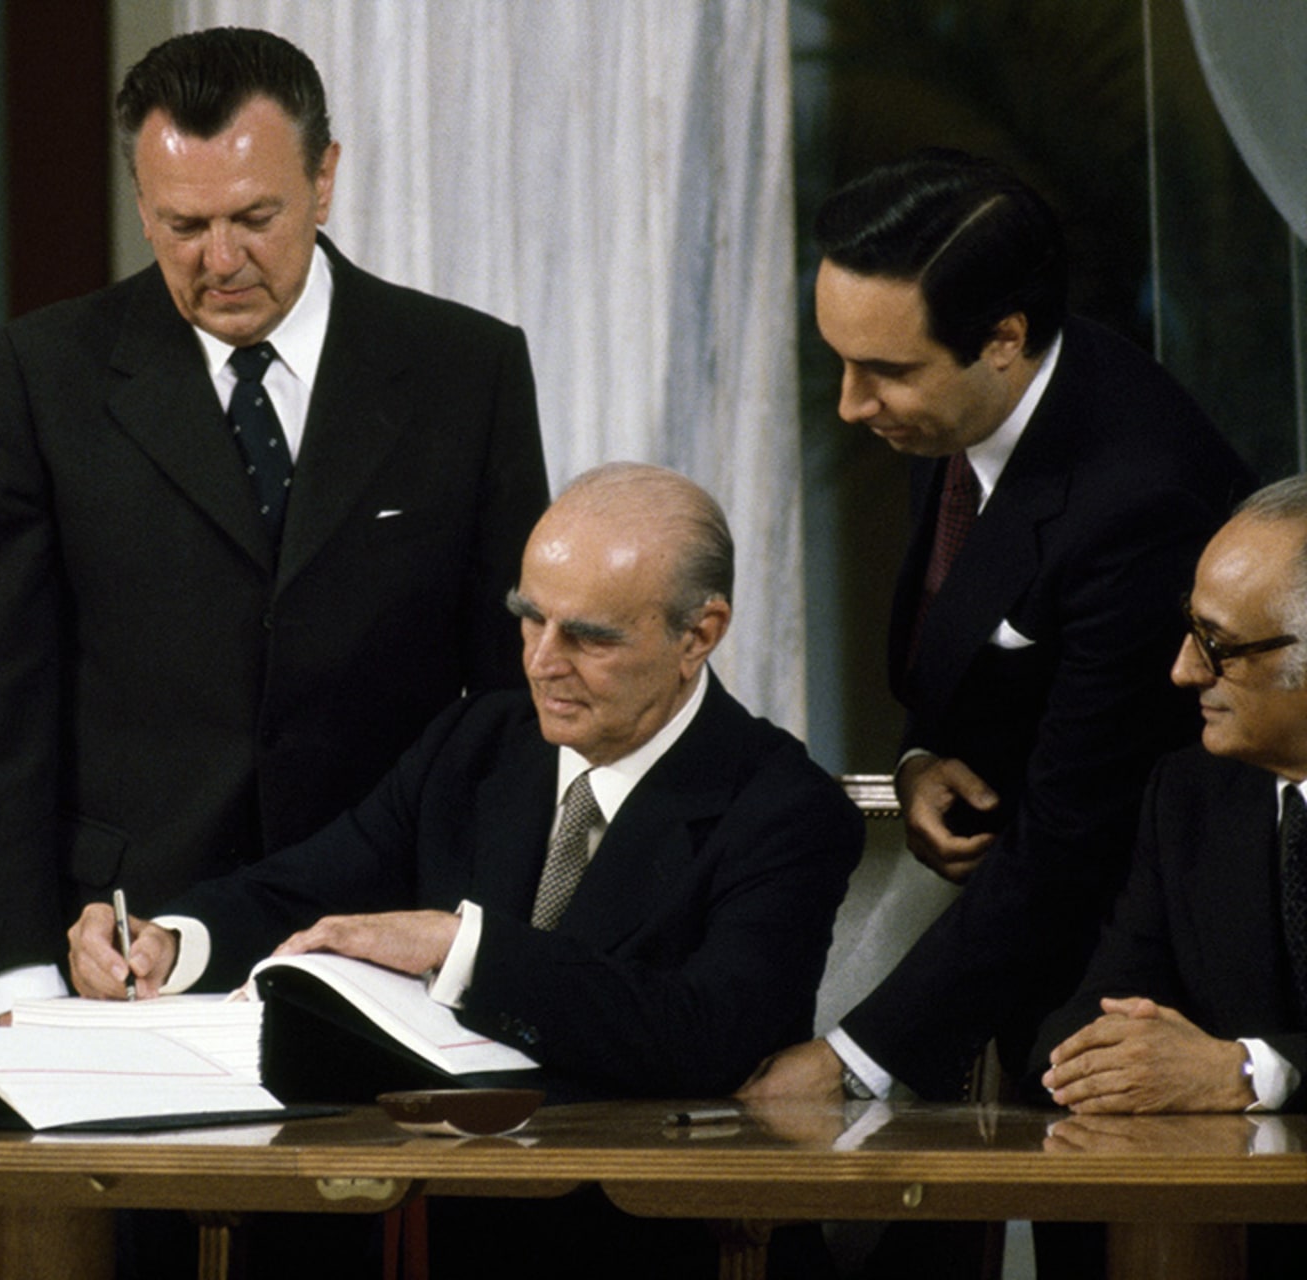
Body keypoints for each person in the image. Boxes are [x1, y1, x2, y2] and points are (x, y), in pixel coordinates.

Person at [69, 464, 861, 1276]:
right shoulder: (476, 742)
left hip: (657, 1243)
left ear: (699, 633)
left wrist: (460, 948)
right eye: (529, 619)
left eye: (588, 636)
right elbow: (310, 886)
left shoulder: (782, 807)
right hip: (439, 1226)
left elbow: (704, 1037)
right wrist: (171, 939)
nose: (542, 662)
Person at [0, 27, 550, 1024]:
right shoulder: (46, 375)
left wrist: (475, 930)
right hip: (125, 946)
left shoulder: (463, 370)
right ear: (140, 200)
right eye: (181, 225)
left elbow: (514, 689)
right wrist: (16, 975)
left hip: (390, 936)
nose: (220, 261)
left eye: (255, 216)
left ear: (325, 178)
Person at [739, 149, 1252, 1109]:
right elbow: (962, 636)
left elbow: (1074, 837)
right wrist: (923, 752)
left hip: (1143, 981)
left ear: (1005, 337)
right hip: (1031, 933)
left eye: (884, 372)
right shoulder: (952, 403)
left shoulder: (1137, 500)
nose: (850, 405)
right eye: (839, 361)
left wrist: (852, 1060)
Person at [1032, 480, 1307, 1278]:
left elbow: (1227, 1069)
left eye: (1217, 643)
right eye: (1190, 631)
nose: (1184, 671)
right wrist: (1112, 1058)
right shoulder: (1191, 795)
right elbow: (1089, 1014)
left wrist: (1249, 1071)